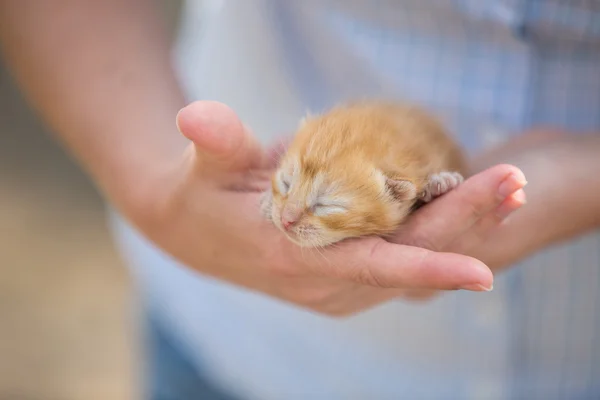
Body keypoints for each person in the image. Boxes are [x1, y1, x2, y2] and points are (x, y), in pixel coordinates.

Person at [1, 0, 599, 398]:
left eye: (325, 208)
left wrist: (584, 183)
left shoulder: (402, 182)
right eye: (286, 188)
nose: (288, 218)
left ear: (403, 194)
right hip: (246, 347)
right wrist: (155, 188)